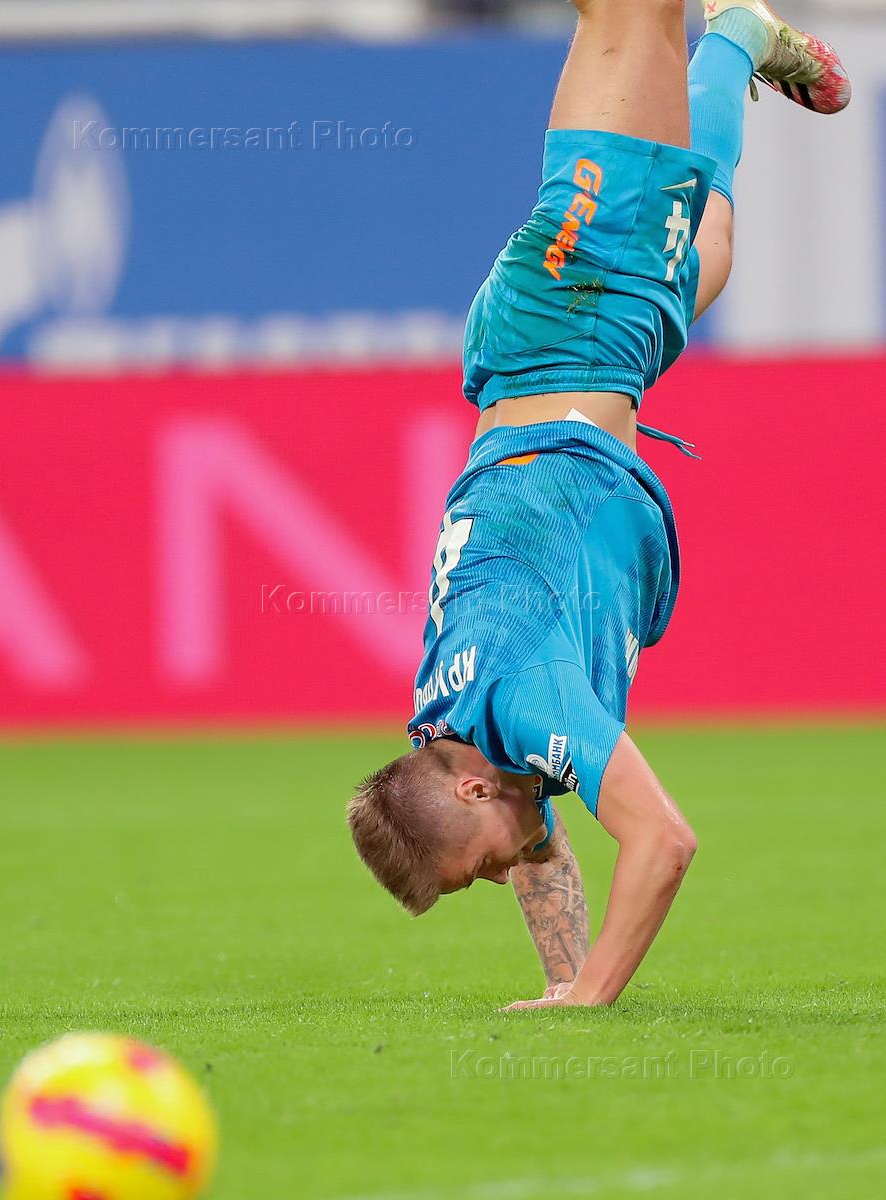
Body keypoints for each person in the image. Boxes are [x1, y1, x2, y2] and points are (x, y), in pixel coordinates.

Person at [348, 0, 851, 1010]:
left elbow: (664, 841)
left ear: (468, 788)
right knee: (705, 245)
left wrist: (591, 1000)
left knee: (628, 22)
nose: (502, 875)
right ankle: (735, 38)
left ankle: (735, 37)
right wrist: (561, 977)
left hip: (564, 330)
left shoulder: (515, 701)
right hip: (582, 361)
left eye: (476, 868)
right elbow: (534, 839)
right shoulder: (454, 722)